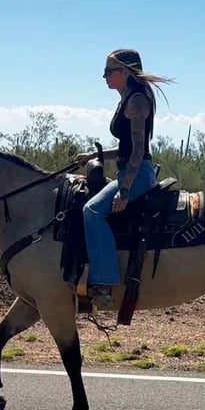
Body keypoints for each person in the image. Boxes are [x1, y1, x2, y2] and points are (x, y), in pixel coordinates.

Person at [75, 49, 174, 306]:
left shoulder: (137, 101)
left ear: (126, 71)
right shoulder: (127, 99)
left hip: (138, 172)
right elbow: (125, 148)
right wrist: (93, 155)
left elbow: (139, 150)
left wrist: (125, 188)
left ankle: (104, 282)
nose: (104, 76)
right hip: (130, 168)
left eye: (109, 71)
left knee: (92, 211)